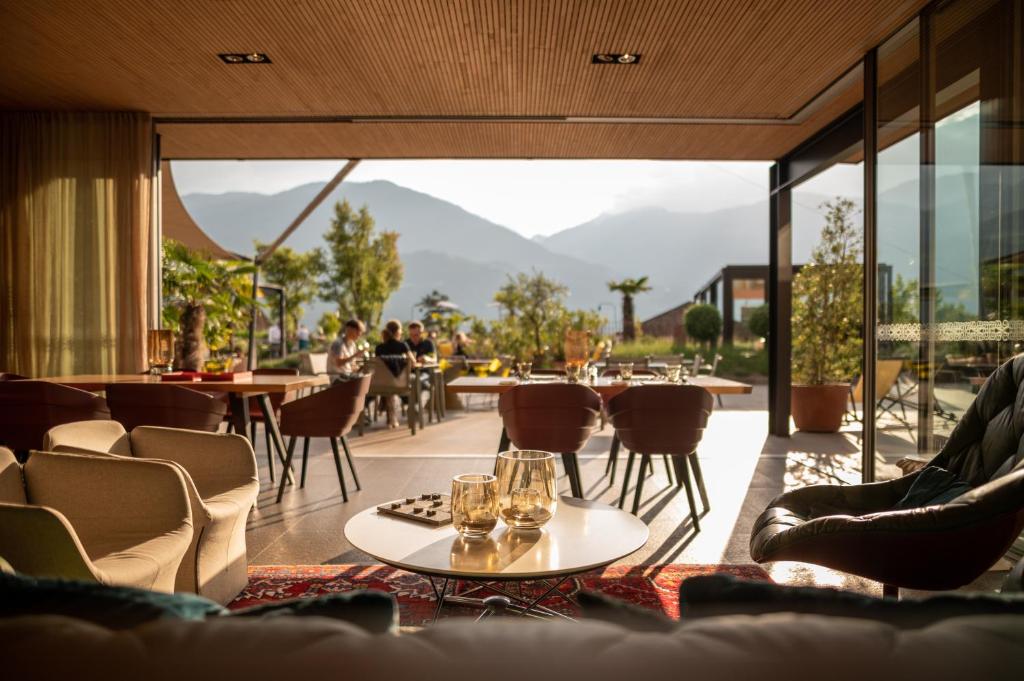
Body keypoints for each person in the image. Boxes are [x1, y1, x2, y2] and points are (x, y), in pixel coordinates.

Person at [375, 320, 417, 429]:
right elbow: (413, 363)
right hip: (400, 382)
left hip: (381, 384)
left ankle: (390, 416)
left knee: (388, 385)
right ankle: (410, 410)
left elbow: (378, 366)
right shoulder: (402, 345)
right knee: (412, 379)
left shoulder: (379, 347)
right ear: (398, 331)